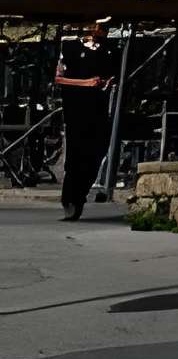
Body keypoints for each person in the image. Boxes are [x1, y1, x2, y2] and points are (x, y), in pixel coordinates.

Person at [54, 15, 120, 221]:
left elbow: (116, 75)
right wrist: (87, 83)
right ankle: (71, 198)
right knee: (76, 154)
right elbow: (59, 78)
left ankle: (80, 194)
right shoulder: (70, 48)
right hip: (76, 108)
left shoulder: (111, 50)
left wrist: (108, 83)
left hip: (100, 109)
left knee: (96, 152)